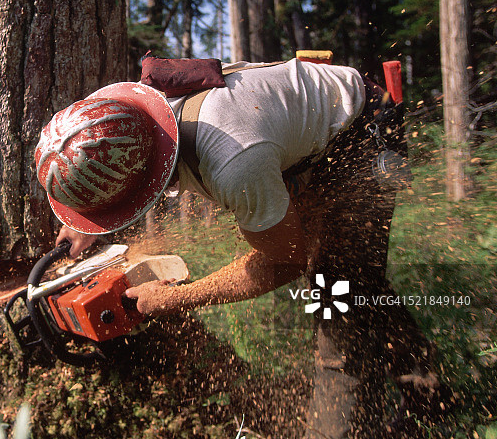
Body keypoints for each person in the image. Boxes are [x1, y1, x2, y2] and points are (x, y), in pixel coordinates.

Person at [34, 57, 446, 438]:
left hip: (357, 139)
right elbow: (93, 154)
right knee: (360, 285)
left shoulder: (233, 165)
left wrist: (176, 298)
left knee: (336, 297)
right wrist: (88, 214)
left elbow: (284, 262)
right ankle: (432, 399)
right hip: (298, 144)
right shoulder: (106, 118)